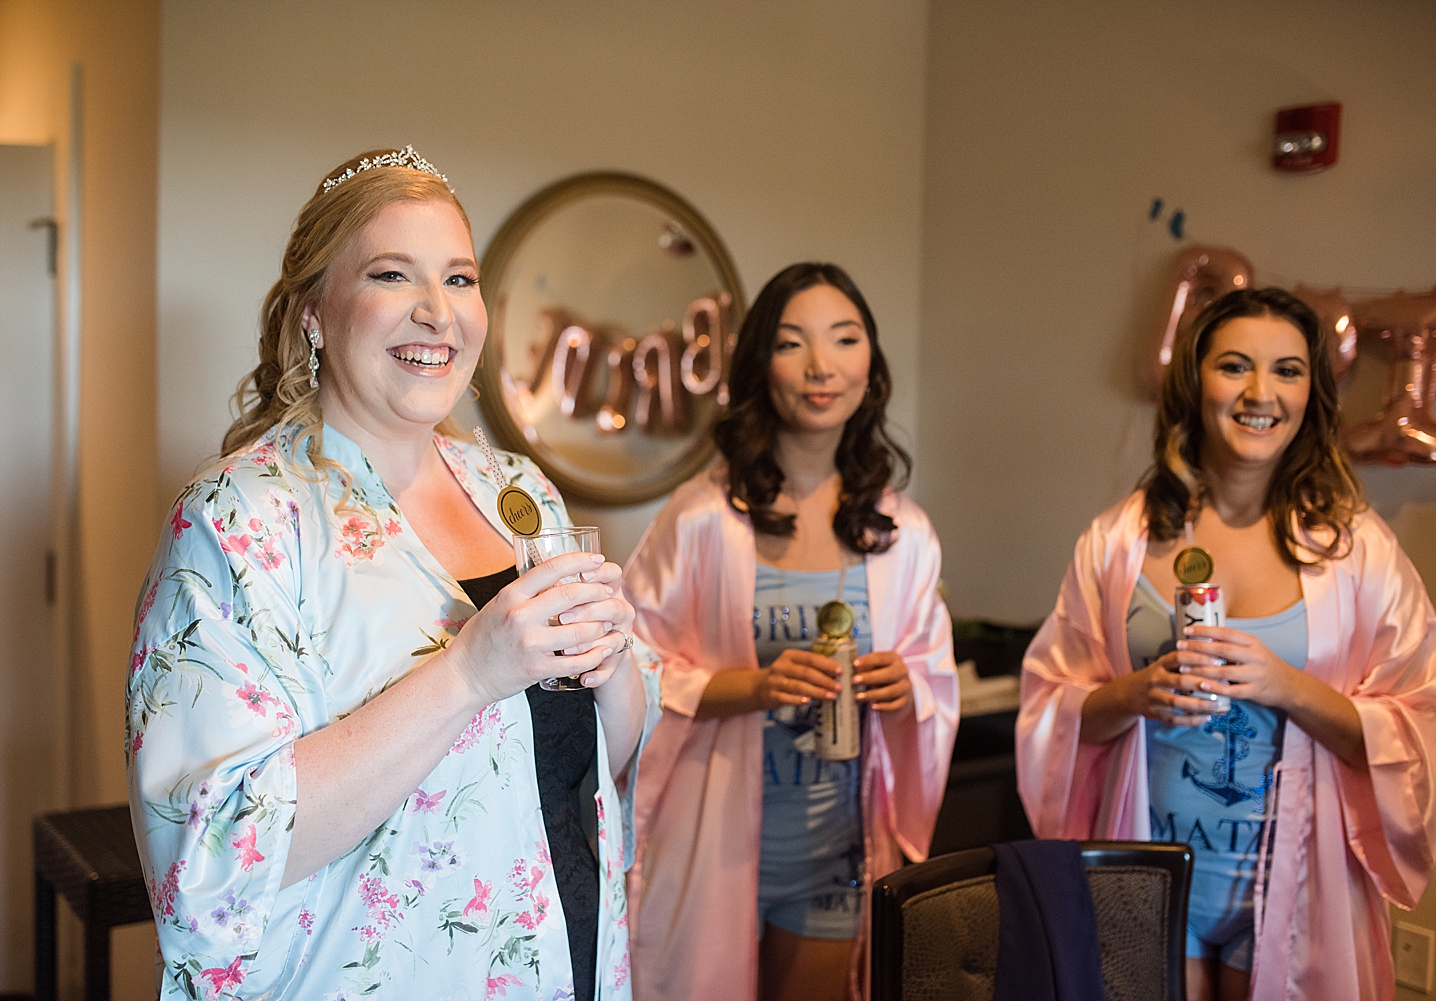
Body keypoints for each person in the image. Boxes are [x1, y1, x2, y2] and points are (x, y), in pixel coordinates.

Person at [126, 147, 659, 1000]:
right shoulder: (238, 521)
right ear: (315, 314)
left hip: (568, 957)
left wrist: (613, 667)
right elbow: (210, 855)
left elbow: (600, 758)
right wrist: (469, 672)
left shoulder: (517, 491)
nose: (436, 313)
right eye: (390, 274)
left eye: (458, 278)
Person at [1017, 287, 1436, 1001]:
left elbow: (1418, 725)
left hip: (1293, 881)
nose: (1260, 392)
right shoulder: (1120, 542)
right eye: (1235, 366)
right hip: (1148, 873)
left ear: (1312, 392)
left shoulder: (1357, 550)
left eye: (1288, 370)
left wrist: (1288, 686)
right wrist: (1133, 694)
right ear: (1195, 381)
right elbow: (1049, 712)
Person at [623, 263, 959, 1001]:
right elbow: (626, 672)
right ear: (759, 367)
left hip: (836, 853)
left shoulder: (901, 533)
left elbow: (934, 682)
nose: (820, 366)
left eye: (845, 339)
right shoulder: (702, 518)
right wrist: (754, 687)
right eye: (791, 342)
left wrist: (904, 689)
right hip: (712, 846)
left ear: (870, 366)